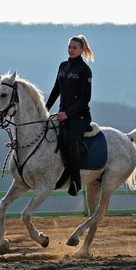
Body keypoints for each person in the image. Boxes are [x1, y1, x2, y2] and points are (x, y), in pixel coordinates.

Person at [45, 35, 94, 196]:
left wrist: (67, 114)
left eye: (75, 48)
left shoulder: (85, 70)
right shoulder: (63, 66)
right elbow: (55, 90)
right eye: (69, 47)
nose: (71, 50)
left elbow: (85, 99)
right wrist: (45, 110)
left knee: (70, 142)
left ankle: (75, 181)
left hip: (79, 116)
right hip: (61, 114)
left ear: (81, 50)